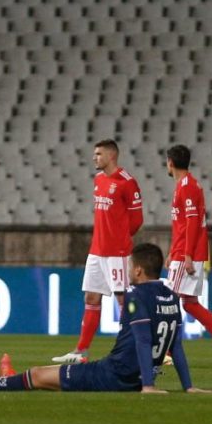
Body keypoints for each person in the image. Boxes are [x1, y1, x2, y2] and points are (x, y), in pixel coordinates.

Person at [0, 243, 212, 394]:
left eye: (129, 267)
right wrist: (188, 387)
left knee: (37, 375)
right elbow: (175, 346)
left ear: (138, 271)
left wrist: (148, 388)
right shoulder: (171, 295)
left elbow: (141, 341)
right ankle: (10, 381)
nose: (127, 271)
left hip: (114, 375)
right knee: (46, 380)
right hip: (134, 377)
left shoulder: (135, 296)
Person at [52, 139, 143, 364]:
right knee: (91, 297)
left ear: (111, 156)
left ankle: (129, 349)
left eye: (99, 154)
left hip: (117, 253)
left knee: (123, 300)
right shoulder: (99, 179)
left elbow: (137, 220)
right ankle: (81, 351)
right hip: (97, 251)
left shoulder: (126, 182)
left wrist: (119, 239)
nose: (94, 158)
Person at [165, 145, 212, 367]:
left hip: (187, 254)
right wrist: (173, 251)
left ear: (170, 162)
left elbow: (191, 224)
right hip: (183, 252)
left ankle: (167, 352)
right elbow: (180, 225)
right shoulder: (184, 185)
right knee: (189, 303)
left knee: (169, 301)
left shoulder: (187, 187)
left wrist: (186, 255)